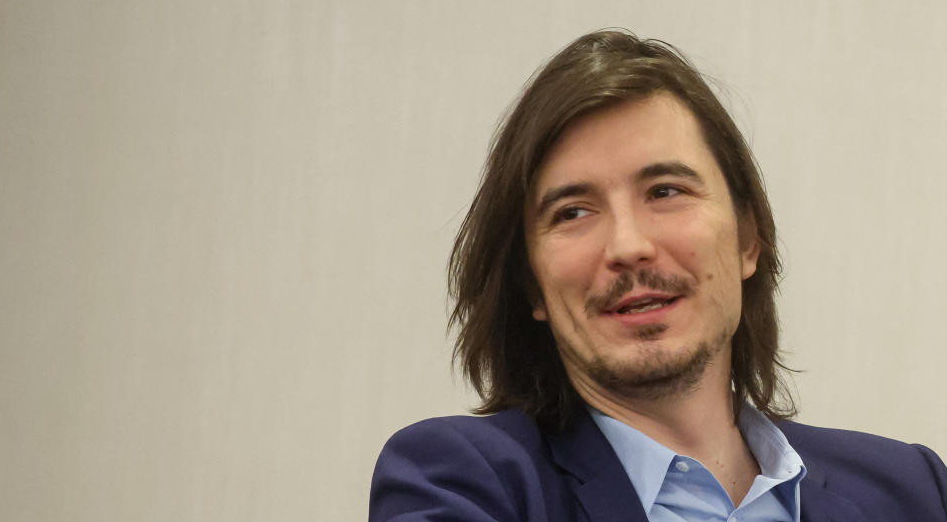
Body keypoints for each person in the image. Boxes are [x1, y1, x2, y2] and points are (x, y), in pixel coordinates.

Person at [369, 30, 947, 521]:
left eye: (665, 191)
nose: (627, 245)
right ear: (531, 285)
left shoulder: (913, 491)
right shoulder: (463, 483)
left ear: (748, 239)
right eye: (572, 212)